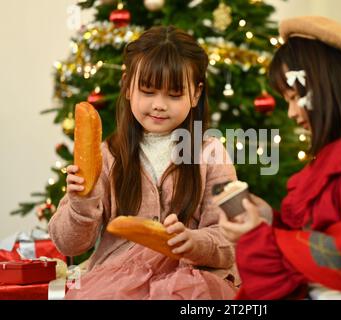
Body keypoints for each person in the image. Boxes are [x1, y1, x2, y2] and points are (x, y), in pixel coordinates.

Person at [219, 16, 341, 300]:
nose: (292, 113)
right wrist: (266, 220)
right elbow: (316, 238)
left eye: (295, 97)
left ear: (328, 86)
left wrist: (259, 238)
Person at [49, 25, 238, 299]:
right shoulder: (107, 156)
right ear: (127, 86)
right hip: (118, 280)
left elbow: (232, 237)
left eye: (174, 95)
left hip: (191, 278)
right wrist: (82, 202)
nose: (159, 104)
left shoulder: (211, 155)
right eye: (148, 91)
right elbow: (69, 244)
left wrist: (194, 242)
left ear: (195, 94)